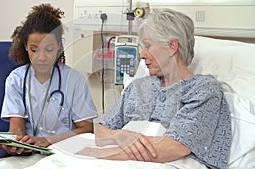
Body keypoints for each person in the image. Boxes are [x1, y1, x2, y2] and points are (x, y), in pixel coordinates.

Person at [76, 8, 232, 169]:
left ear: (172, 46)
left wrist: (101, 155)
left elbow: (176, 147)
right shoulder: (138, 87)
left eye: (148, 46)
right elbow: (101, 132)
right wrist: (119, 135)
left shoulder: (202, 89)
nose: (142, 54)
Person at [0, 3, 98, 162]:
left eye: (48, 49)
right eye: (35, 49)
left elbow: (87, 130)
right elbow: (16, 128)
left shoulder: (74, 80)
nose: (41, 57)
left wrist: (47, 142)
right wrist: (15, 143)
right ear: (26, 46)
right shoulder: (16, 80)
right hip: (26, 155)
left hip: (65, 153)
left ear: (59, 47)